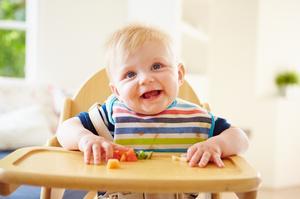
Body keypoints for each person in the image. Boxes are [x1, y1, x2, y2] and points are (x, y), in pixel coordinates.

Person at [56, 24, 249, 199]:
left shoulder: (195, 118)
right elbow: (66, 129)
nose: (145, 79)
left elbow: (239, 138)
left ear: (179, 74)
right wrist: (85, 139)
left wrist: (217, 144)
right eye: (130, 74)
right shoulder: (112, 114)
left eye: (157, 66)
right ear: (116, 91)